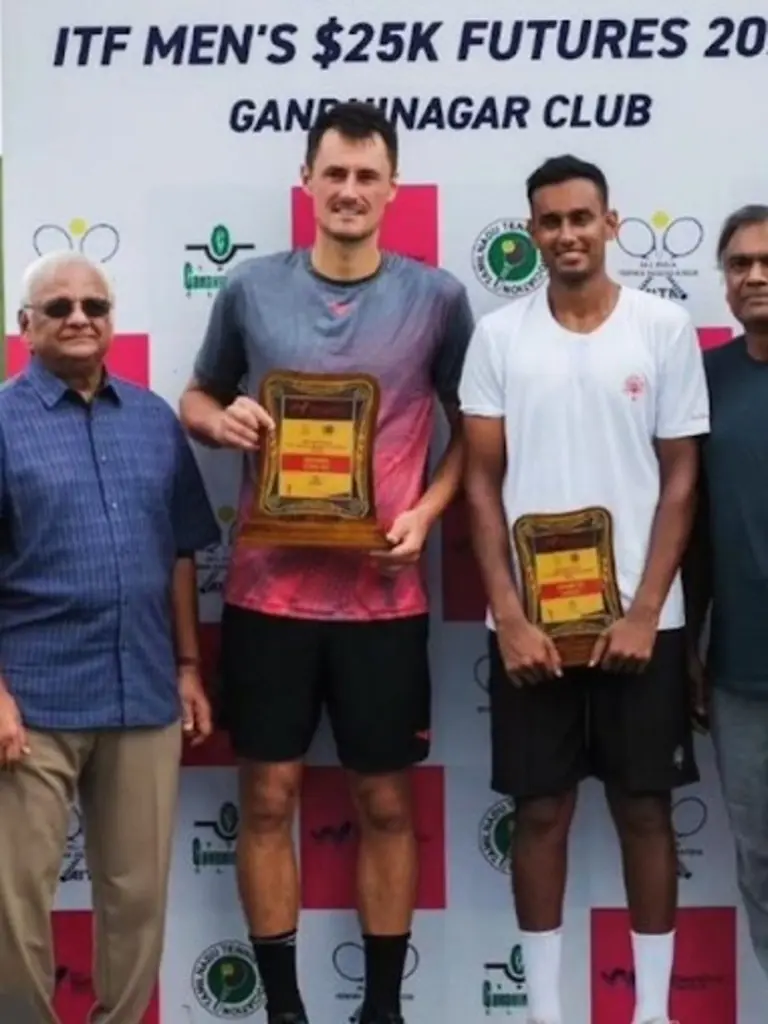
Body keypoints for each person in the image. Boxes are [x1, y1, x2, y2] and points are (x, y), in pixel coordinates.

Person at [179, 101, 473, 1024]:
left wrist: (427, 511)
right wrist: (216, 420)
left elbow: (477, 434)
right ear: (306, 184)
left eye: (366, 175)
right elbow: (195, 395)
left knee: (387, 802)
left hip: (384, 601)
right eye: (333, 174)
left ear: (393, 188)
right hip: (268, 596)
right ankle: (283, 1011)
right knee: (265, 798)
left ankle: (380, 1010)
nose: (349, 191)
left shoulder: (438, 298)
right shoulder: (250, 291)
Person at [458, 155, 709, 1024]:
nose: (566, 234)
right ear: (531, 235)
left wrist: (645, 610)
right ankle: (544, 1016)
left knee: (645, 810)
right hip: (535, 630)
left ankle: (649, 1014)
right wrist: (509, 617)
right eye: (550, 221)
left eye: (581, 218)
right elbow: (482, 485)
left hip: (647, 624)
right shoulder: (497, 338)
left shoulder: (664, 328)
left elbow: (682, 477)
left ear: (611, 223)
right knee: (540, 813)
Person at [0, 251, 219, 1024]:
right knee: (12, 899)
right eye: (57, 307)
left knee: (137, 898)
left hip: (145, 693)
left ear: (113, 319)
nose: (79, 318)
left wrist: (190, 665)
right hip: (33, 703)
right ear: (25, 327)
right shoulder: (0, 421)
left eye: (94, 304)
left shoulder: (155, 419)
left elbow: (183, 550)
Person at [683, 204, 768, 980]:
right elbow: (694, 529)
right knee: (761, 862)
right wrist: (693, 643)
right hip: (743, 672)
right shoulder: (706, 380)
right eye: (739, 264)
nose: (755, 275)